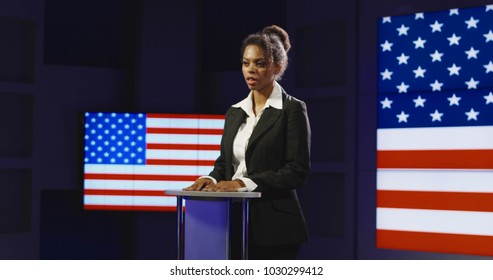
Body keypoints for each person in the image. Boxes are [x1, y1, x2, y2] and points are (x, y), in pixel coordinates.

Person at [184, 25, 311, 260]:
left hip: (276, 230)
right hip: (230, 224)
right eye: (246, 63)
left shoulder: (292, 109)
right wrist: (210, 179)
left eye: (260, 64)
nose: (250, 70)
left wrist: (242, 183)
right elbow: (225, 163)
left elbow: (297, 172)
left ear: (277, 67)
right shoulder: (234, 111)